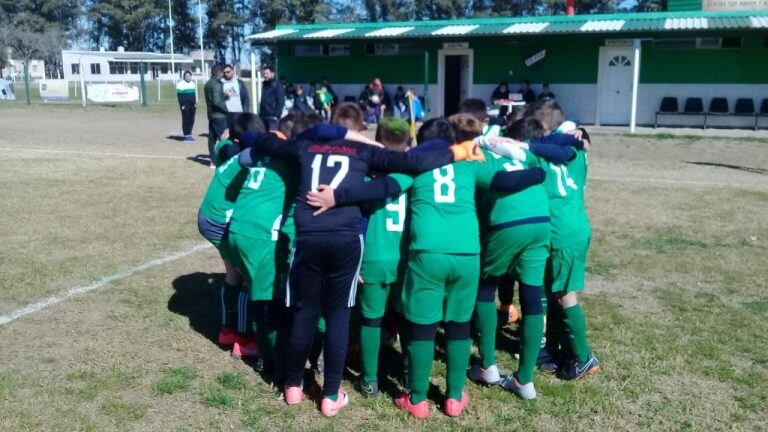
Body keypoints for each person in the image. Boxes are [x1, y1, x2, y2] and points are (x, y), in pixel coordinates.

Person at [242, 105, 485, 417]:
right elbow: (414, 161)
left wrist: (241, 135)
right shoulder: (363, 150)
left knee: (305, 312)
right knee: (339, 316)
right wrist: (459, 152)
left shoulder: (302, 146)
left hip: (308, 238)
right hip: (345, 239)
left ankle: (292, 387)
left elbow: (263, 141)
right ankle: (331, 395)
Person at [197, 113, 265, 351]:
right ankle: (244, 339)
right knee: (246, 277)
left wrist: (226, 139)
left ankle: (227, 331)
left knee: (232, 274)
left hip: (208, 215)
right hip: (221, 221)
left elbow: (224, 146)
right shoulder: (251, 158)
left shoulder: (227, 148)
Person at [204, 65, 229, 168]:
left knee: (212, 139)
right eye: (223, 72)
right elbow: (216, 102)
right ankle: (225, 160)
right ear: (218, 73)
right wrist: (226, 110)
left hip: (211, 115)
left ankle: (213, 161)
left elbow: (213, 99)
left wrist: (224, 96)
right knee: (224, 138)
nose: (224, 74)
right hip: (219, 116)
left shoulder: (208, 84)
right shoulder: (217, 84)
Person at [259, 65, 285, 131]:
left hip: (272, 117)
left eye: (267, 73)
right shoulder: (265, 84)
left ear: (272, 73)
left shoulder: (278, 85)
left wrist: (276, 116)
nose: (265, 75)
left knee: (272, 137)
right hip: (263, 116)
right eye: (264, 74)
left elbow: (280, 102)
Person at [176, 70, 197, 142]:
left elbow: (193, 95)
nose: (188, 77)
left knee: (192, 119)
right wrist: (182, 105)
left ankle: (190, 134)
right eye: (186, 76)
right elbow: (179, 96)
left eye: (189, 76)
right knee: (186, 120)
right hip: (185, 105)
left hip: (192, 105)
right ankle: (186, 135)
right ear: (184, 76)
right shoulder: (180, 84)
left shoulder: (192, 83)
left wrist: (195, 103)